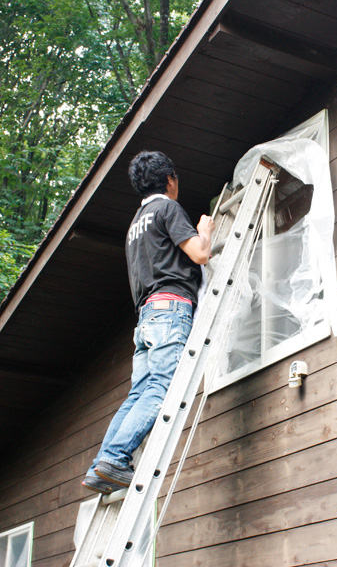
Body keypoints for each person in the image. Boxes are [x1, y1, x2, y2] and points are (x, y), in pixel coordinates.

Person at [82, 150, 215, 494]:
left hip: (146, 319)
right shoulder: (167, 209)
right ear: (169, 179)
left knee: (139, 392)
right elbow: (199, 254)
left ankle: (103, 464)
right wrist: (204, 231)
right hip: (170, 310)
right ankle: (113, 457)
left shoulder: (134, 225)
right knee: (161, 388)